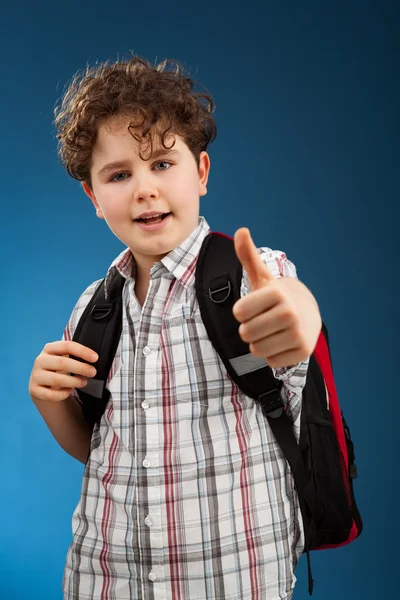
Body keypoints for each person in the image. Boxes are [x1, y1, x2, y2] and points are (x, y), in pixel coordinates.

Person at [29, 55, 322, 600]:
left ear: (202, 173)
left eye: (162, 163)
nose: (144, 189)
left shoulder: (256, 275)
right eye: (119, 174)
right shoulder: (93, 308)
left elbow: (293, 308)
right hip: (105, 574)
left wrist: (294, 318)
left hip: (233, 574)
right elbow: (97, 446)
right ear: (94, 197)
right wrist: (51, 403)